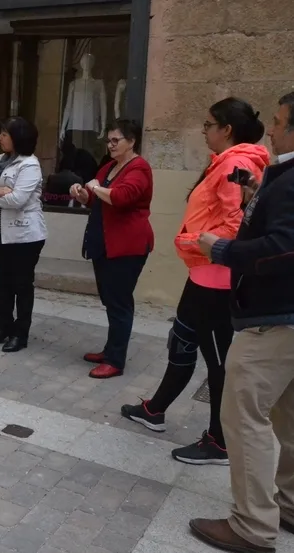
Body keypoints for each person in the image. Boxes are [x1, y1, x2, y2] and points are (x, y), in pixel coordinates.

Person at [122, 98, 269, 466]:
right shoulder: (227, 162)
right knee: (182, 339)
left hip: (216, 281)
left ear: (226, 129)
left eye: (208, 125)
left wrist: (190, 241)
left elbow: (237, 225)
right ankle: (155, 410)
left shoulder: (236, 164)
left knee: (218, 364)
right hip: (202, 275)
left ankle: (220, 441)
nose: (203, 131)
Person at [190, 91, 294, 553]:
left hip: (273, 319)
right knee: (288, 417)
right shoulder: (280, 176)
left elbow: (283, 248)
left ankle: (252, 526)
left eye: (279, 122)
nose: (271, 130)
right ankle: (289, 505)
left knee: (242, 415)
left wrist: (222, 249)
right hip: (282, 316)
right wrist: (256, 195)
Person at [70, 119, 153, 379]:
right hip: (104, 244)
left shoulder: (139, 168)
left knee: (119, 303)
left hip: (126, 246)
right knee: (110, 300)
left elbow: (121, 197)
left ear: (132, 141)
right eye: (108, 140)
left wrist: (96, 187)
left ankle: (115, 360)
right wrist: (83, 194)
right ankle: (110, 350)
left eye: (116, 140)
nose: (110, 145)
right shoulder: (109, 166)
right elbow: (96, 197)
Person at [0, 117, 47, 353]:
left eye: (4, 134)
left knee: (22, 284)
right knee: (3, 282)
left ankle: (20, 333)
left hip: (25, 235)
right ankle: (3, 326)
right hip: (2, 231)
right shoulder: (1, 160)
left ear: (18, 137)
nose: (0, 138)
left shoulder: (30, 165)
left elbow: (17, 199)